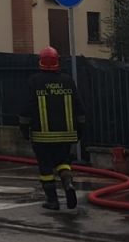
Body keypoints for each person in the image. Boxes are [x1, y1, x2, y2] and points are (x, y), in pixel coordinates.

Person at [19, 46, 85, 211]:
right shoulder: (68, 81)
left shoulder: (34, 81)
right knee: (63, 162)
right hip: (66, 134)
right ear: (58, 62)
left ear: (40, 62)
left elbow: (27, 108)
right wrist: (81, 129)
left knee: (46, 167)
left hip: (42, 136)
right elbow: (79, 107)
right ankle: (68, 183)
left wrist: (24, 129)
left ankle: (53, 201)